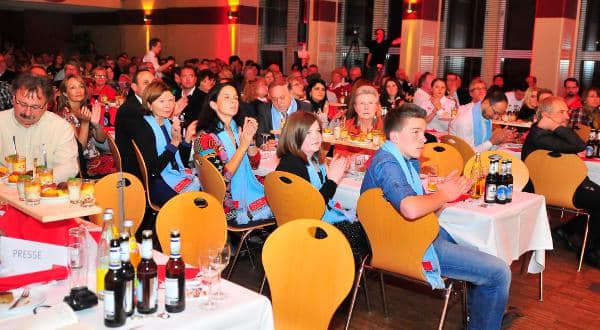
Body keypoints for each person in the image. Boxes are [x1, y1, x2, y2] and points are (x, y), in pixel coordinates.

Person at [361, 104, 511, 329]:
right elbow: (410, 209)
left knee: (483, 248)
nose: (424, 139)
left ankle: (482, 316)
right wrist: (443, 195)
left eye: (423, 132)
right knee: (500, 273)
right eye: (415, 132)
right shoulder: (388, 164)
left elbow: (422, 213)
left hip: (407, 234)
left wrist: (446, 196)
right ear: (394, 136)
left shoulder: (400, 159)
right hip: (406, 244)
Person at [276, 111, 370, 264]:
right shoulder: (291, 164)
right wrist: (332, 180)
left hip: (309, 222)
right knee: (366, 232)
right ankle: (339, 275)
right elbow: (312, 207)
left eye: (318, 131)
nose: (316, 136)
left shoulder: (312, 160)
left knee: (365, 223)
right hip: (307, 228)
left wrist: (330, 176)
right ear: (294, 135)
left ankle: (337, 271)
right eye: (308, 133)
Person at [521, 96, 600, 268]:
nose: (567, 116)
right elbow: (578, 144)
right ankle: (589, 251)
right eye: (561, 112)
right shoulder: (540, 137)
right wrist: (556, 126)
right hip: (555, 188)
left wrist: (555, 126)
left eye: (567, 111)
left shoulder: (544, 134)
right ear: (545, 115)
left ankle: (567, 230)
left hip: (561, 184)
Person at [194, 83, 273, 224]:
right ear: (213, 104)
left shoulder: (237, 128)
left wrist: (251, 140)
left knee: (281, 189)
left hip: (247, 186)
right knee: (279, 201)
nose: (233, 101)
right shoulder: (205, 138)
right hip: (226, 201)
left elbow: (254, 164)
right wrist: (242, 146)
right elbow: (220, 180)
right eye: (227, 97)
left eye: (236, 98)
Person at [131, 81, 200, 206]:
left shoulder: (168, 123)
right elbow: (153, 169)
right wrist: (174, 143)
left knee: (206, 187)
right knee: (198, 199)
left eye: (170, 100)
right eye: (161, 101)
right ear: (149, 105)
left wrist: (187, 139)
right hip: (156, 182)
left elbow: (180, 162)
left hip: (173, 174)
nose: (168, 106)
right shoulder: (144, 128)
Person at [0, 73, 78, 182]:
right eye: (22, 104)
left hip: (46, 191)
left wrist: (33, 181)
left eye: (35, 107)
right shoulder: (1, 121)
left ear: (46, 106)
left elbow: (69, 167)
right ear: (13, 99)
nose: (27, 112)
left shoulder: (60, 128)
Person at [57, 74, 114, 178]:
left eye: (81, 86)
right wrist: (85, 123)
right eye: (73, 87)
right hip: (83, 166)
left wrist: (96, 125)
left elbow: (101, 139)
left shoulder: (84, 110)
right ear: (65, 93)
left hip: (96, 158)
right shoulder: (65, 116)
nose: (78, 90)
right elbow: (79, 149)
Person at [115, 70, 156, 179]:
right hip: (137, 172)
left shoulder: (145, 105)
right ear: (134, 87)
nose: (152, 86)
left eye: (153, 82)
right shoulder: (130, 110)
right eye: (146, 83)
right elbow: (150, 143)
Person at [449, 87, 515, 152]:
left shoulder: (485, 117)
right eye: (495, 112)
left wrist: (499, 141)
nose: (495, 117)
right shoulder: (465, 120)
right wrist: (492, 141)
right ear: (486, 102)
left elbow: (486, 148)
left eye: (499, 114)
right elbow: (468, 153)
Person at [256, 79, 312, 143]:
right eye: (274, 99)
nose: (279, 102)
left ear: (291, 93)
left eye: (282, 97)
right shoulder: (264, 109)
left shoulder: (305, 108)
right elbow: (259, 139)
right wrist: (267, 144)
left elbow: (310, 137)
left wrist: (288, 136)